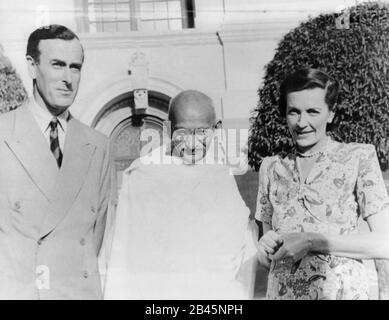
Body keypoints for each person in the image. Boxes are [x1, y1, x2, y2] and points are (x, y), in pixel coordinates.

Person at [103, 90, 257, 299]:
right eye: (183, 132)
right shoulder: (144, 173)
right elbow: (122, 250)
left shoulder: (221, 173)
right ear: (168, 129)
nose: (192, 144)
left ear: (217, 129)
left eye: (202, 132)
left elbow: (239, 241)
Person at [0, 25, 115, 299]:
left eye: (75, 67)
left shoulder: (99, 145)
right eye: (57, 65)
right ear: (31, 66)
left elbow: (98, 235)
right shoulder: (4, 134)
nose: (68, 78)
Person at [255, 68, 389, 300]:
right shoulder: (271, 168)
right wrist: (264, 248)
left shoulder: (358, 157)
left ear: (331, 114)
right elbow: (267, 259)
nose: (302, 122)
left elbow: (384, 243)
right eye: (293, 112)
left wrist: (312, 241)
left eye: (313, 111)